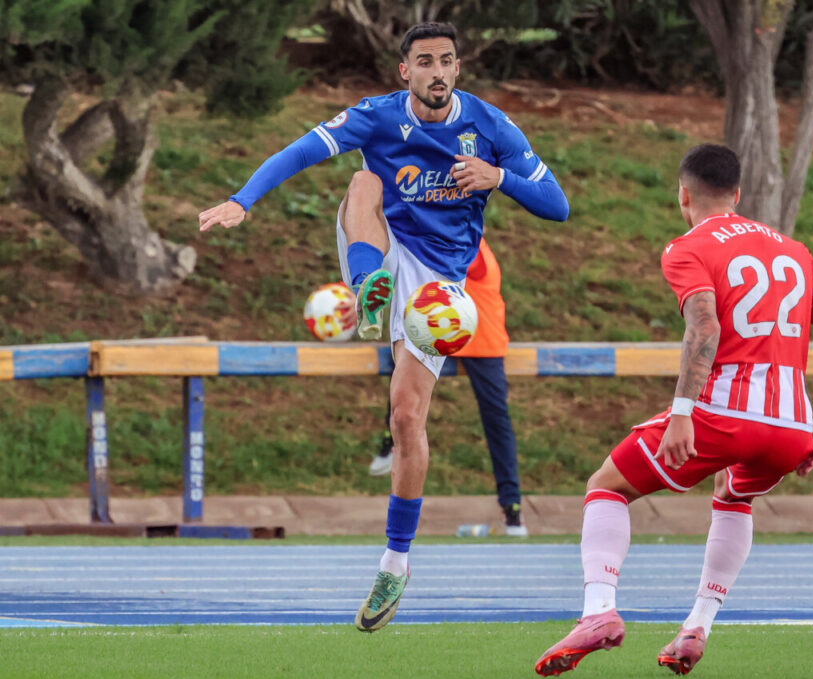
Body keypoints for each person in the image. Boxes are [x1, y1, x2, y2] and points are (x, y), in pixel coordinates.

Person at [197, 22, 568, 633]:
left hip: (440, 285)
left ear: (458, 68)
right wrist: (243, 199)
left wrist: (500, 178)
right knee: (362, 179)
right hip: (382, 244)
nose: (438, 72)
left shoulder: (491, 127)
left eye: (447, 60)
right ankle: (369, 293)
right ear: (406, 72)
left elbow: (558, 205)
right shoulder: (376, 117)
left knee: (405, 417)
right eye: (425, 62)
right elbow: (300, 151)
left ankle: (396, 561)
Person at [533, 144, 813, 677]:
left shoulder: (688, 247)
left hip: (722, 415)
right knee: (733, 495)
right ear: (739, 193)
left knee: (607, 486)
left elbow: (704, 326)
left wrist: (682, 410)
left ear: (683, 195)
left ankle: (598, 613)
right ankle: (697, 626)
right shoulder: (794, 250)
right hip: (791, 426)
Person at [368, 237, 528, 537]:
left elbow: (431, 272)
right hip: (447, 332)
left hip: (478, 339)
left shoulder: (466, 242)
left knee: (496, 421)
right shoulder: (453, 236)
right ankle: (388, 444)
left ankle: (512, 507)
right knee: (403, 378)